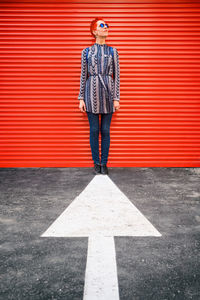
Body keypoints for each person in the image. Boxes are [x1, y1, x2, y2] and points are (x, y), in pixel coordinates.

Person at [78, 17, 120, 175]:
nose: (106, 27)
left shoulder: (113, 51)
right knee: (94, 129)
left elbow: (117, 76)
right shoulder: (86, 51)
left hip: (108, 94)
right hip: (91, 94)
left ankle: (104, 162)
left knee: (106, 130)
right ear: (94, 31)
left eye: (107, 25)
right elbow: (83, 75)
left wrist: (117, 98)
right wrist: (81, 98)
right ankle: (96, 162)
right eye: (102, 26)